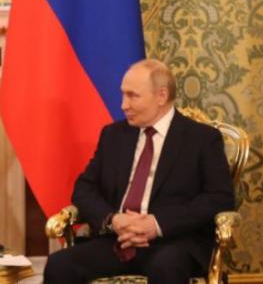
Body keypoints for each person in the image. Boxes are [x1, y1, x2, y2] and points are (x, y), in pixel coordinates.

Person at [44, 59, 235, 283]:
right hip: (117, 240)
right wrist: (113, 220)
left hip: (172, 242)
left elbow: (220, 197)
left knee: (167, 265)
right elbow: (84, 189)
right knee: (60, 264)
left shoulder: (201, 138)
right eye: (123, 95)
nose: (123, 105)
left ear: (161, 96)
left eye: (132, 96)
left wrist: (156, 224)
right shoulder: (113, 135)